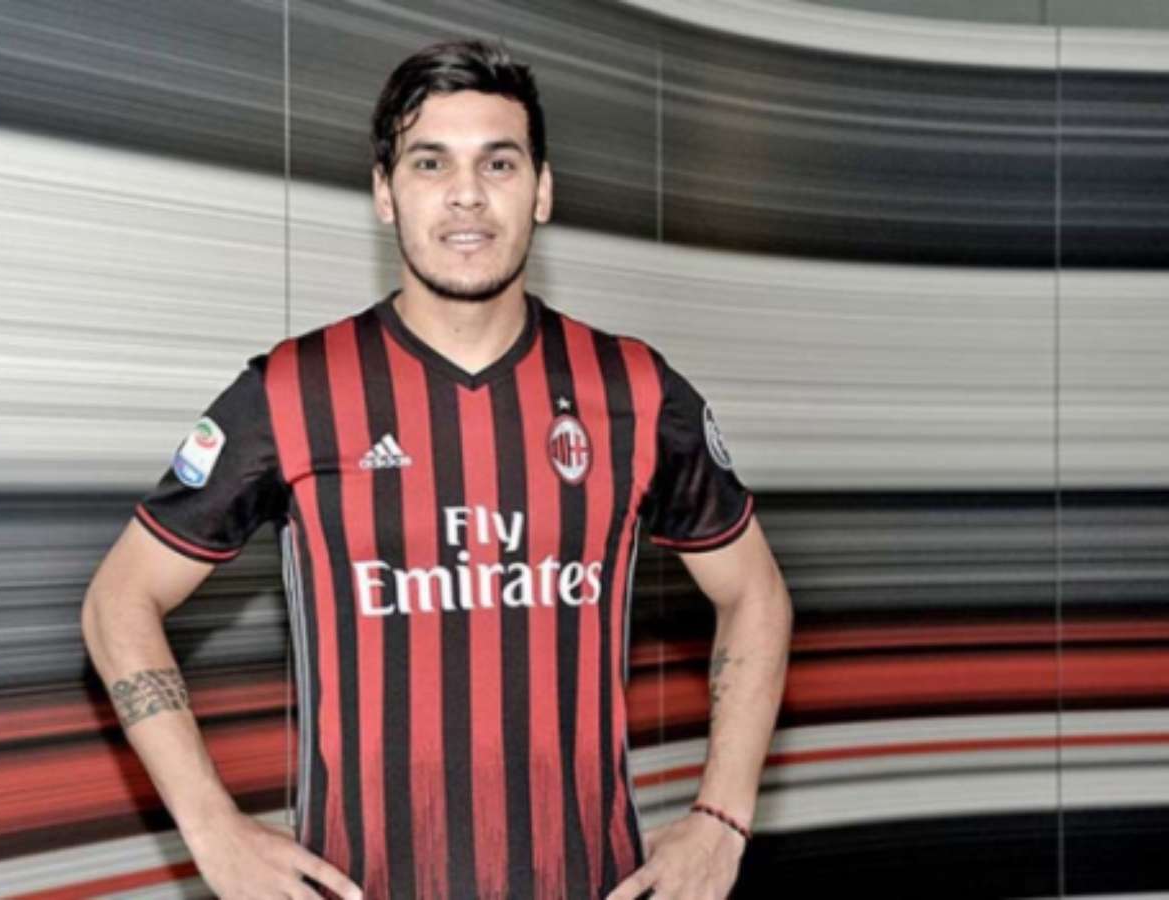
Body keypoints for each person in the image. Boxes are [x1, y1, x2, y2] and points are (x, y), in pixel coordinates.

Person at [81, 38, 792, 900]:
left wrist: (721, 818)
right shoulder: (294, 392)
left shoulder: (634, 390)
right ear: (385, 193)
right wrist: (211, 829)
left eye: (499, 162)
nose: (467, 193)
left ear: (543, 189)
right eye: (430, 162)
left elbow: (755, 594)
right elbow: (119, 602)